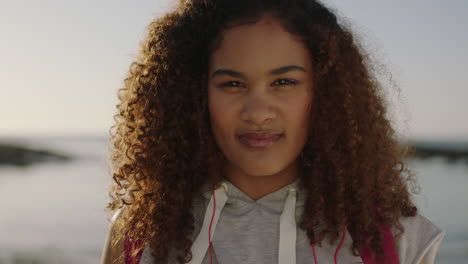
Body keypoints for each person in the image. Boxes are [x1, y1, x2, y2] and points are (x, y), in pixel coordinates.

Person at [100, 0, 445, 263]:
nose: (258, 112)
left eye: (284, 81)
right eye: (232, 83)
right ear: (193, 94)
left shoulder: (397, 241)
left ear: (327, 92)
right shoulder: (138, 234)